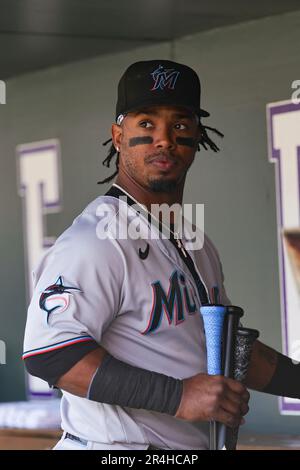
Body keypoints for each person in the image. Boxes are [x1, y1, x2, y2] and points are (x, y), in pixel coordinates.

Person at [23, 60, 300, 450]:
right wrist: (179, 396)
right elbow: (51, 355)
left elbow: (223, 347)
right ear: (118, 135)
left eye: (181, 125)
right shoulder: (95, 240)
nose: (165, 139)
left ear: (197, 137)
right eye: (147, 123)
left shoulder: (195, 243)